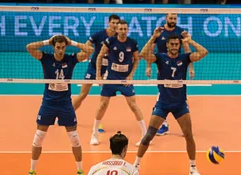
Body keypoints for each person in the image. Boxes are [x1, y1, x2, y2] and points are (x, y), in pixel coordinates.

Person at [135, 28, 208, 175]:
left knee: (188, 135)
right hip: (163, 103)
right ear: (167, 45)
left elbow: (204, 52)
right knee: (149, 135)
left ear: (179, 45)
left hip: (180, 104)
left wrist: (190, 41)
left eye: (177, 44)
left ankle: (192, 167)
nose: (175, 46)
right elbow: (142, 55)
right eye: (172, 44)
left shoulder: (185, 58)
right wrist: (153, 37)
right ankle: (136, 165)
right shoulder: (160, 58)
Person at [23, 35, 93, 175]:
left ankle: (80, 172)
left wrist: (72, 42)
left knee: (74, 138)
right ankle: (32, 172)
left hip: (65, 104)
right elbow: (29, 47)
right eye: (58, 47)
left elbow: (90, 51)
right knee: (39, 137)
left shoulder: (71, 59)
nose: (61, 50)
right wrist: (47, 41)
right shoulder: (45, 58)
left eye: (63, 47)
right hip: (48, 103)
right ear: (53, 47)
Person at [90, 19, 146, 147]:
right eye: (120, 29)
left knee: (133, 105)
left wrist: (130, 76)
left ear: (128, 30)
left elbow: (136, 59)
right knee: (103, 104)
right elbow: (99, 56)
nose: (122, 31)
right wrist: (99, 75)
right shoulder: (110, 41)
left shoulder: (132, 43)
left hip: (124, 79)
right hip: (111, 78)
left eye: (125, 29)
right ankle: (94, 134)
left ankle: (145, 134)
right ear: (117, 30)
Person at [145, 12, 195, 138]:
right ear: (166, 18)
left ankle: (185, 126)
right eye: (171, 18)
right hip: (162, 66)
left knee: (182, 95)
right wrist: (148, 66)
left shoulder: (180, 32)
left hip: (178, 66)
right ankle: (164, 124)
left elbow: (187, 49)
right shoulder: (159, 31)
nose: (173, 20)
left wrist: (191, 67)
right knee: (162, 93)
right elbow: (151, 48)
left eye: (175, 18)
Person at [71, 14, 120, 112]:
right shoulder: (99, 34)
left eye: (117, 23)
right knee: (82, 95)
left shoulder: (119, 37)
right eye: (113, 22)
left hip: (109, 71)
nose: (115, 25)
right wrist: (86, 54)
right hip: (93, 67)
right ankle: (68, 115)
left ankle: (97, 123)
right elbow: (87, 44)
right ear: (108, 23)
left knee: (104, 100)